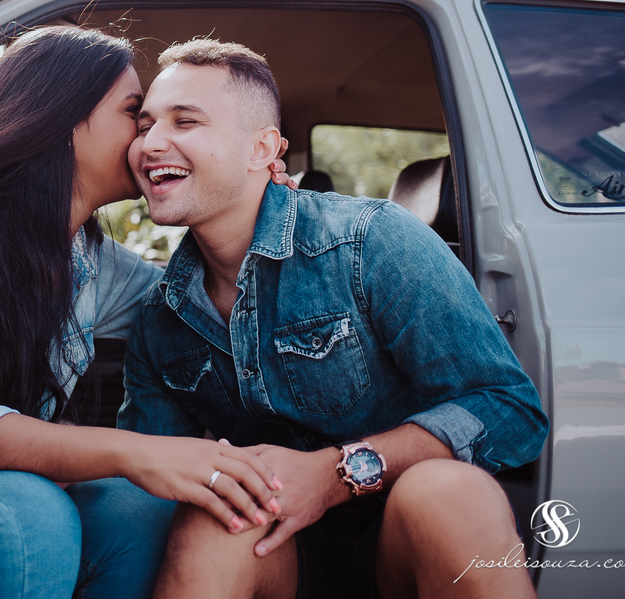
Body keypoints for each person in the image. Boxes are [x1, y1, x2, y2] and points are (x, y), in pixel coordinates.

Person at [0, 27, 294, 599]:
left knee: (140, 509)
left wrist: (255, 207)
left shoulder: (90, 257)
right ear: (64, 119)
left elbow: (200, 310)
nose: (149, 139)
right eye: (137, 115)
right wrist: (137, 452)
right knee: (26, 513)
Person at [118, 39, 549, 599]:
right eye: (145, 124)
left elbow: (510, 410)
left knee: (450, 491)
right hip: (283, 558)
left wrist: (335, 474)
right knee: (217, 515)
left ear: (261, 148)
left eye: (185, 121)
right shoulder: (159, 317)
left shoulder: (371, 241)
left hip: (406, 542)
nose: (152, 143)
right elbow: (149, 482)